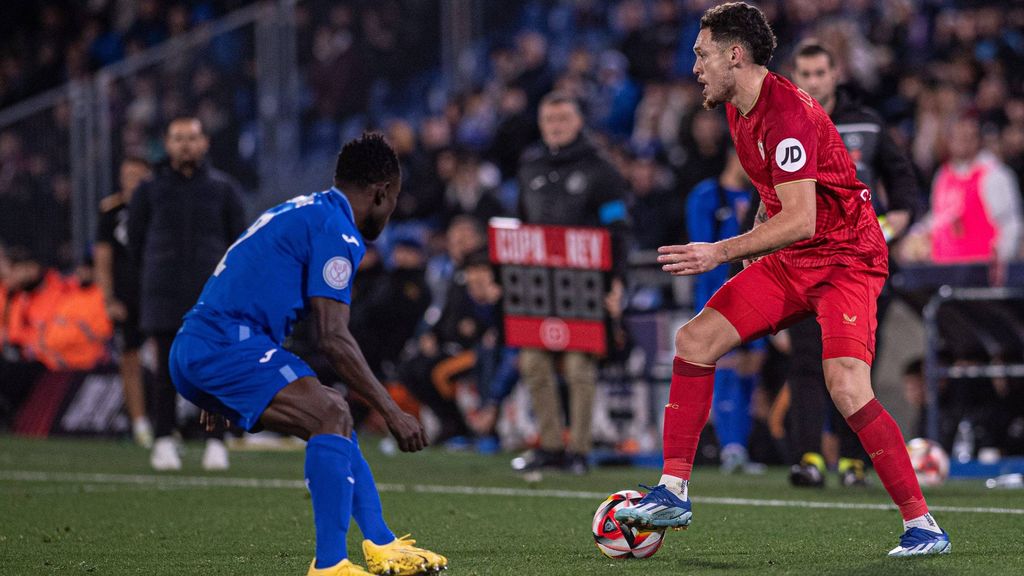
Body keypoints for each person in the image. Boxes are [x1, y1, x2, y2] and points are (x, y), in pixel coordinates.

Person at [616, 3, 950, 557]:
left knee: (846, 385)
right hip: (793, 257)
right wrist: (752, 246)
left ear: (734, 55)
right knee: (695, 340)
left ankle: (924, 526)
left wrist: (721, 251)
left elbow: (803, 218)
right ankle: (672, 492)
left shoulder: (787, 113)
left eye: (701, 54)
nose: (694, 66)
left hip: (845, 258)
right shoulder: (738, 108)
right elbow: (774, 197)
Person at [168, 133, 447, 576]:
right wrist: (392, 411)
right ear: (381, 193)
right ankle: (331, 564)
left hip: (209, 343)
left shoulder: (303, 210)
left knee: (331, 413)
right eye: (393, 200)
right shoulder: (338, 230)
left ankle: (381, 543)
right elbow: (332, 338)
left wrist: (214, 384)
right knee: (331, 412)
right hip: (225, 344)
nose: (391, 211)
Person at [787, 39, 925, 487]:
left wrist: (892, 223)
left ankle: (852, 461)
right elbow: (767, 200)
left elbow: (903, 184)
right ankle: (809, 458)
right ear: (795, 78)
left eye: (820, 73)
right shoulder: (785, 124)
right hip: (804, 262)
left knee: (856, 367)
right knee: (807, 362)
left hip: (858, 268)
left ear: (835, 75)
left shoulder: (867, 124)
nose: (813, 82)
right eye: (805, 74)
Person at [513, 91, 628, 475]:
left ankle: (578, 450)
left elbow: (618, 229)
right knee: (532, 362)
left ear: (578, 122)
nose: (556, 126)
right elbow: (521, 226)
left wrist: (617, 282)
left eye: (563, 119)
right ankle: (550, 446)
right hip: (537, 283)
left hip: (586, 284)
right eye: (549, 120)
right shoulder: (529, 167)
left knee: (579, 366)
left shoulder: (601, 170)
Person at [128, 116, 246, 471]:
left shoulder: (224, 189)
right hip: (163, 293)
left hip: (211, 295)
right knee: (165, 372)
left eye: (192, 138)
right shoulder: (148, 190)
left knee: (214, 369)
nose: (185, 145)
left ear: (204, 142)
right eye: (178, 138)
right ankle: (163, 439)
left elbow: (240, 242)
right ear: (167, 144)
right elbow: (135, 242)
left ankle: (216, 441)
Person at [685, 150, 766, 473]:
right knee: (727, 371)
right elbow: (702, 255)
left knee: (749, 372)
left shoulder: (757, 197)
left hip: (757, 295)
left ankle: (740, 446)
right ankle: (731, 449)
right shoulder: (706, 196)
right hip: (719, 297)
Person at [95, 156, 153, 447]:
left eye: (137, 175)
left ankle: (169, 420)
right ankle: (140, 424)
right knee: (129, 360)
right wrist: (108, 299)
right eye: (127, 175)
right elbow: (103, 260)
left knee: (167, 357)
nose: (131, 181)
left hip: (157, 295)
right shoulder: (111, 212)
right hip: (126, 297)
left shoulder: (160, 208)